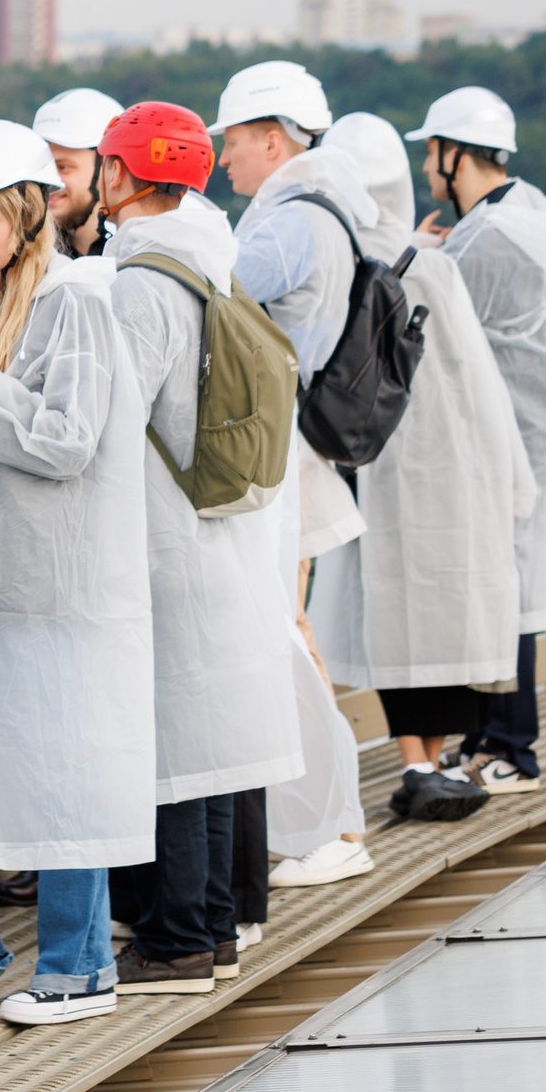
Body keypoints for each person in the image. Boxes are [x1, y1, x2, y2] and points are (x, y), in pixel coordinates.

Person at [0, 120, 160, 1029]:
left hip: (55, 589)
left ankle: (80, 963)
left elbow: (66, 439)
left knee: (62, 773)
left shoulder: (75, 304)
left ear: (25, 208)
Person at [92, 104, 306, 996]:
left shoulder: (142, 280)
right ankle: (213, 926)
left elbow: (112, 414)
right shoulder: (211, 247)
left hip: (164, 533)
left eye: (104, 164)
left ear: (125, 174)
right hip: (223, 521)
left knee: (174, 745)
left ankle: (175, 939)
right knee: (211, 740)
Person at [308, 114, 530, 822]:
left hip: (355, 461)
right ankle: (428, 762)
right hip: (443, 473)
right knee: (437, 610)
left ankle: (412, 760)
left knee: (386, 611)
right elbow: (481, 384)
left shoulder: (329, 265)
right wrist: (510, 474)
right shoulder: (430, 265)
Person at [211, 62, 375, 889]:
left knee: (283, 640)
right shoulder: (327, 204)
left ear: (273, 139)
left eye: (233, 143)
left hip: (273, 457)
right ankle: (327, 819)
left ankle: (336, 822)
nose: (223, 160)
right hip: (294, 448)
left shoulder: (283, 225)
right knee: (289, 636)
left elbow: (209, 301)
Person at [408, 87, 546, 792]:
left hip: (522, 435)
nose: (428, 168)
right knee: (499, 584)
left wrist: (416, 253)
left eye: (432, 152)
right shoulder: (522, 211)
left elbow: (439, 320)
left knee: (506, 589)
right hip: (538, 425)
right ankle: (485, 736)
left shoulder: (490, 238)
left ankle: (513, 747)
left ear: (456, 155)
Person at [34, 87, 127, 257]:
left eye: (63, 167)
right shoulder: (28, 259)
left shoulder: (137, 253)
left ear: (109, 168)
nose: (49, 183)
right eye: (43, 169)